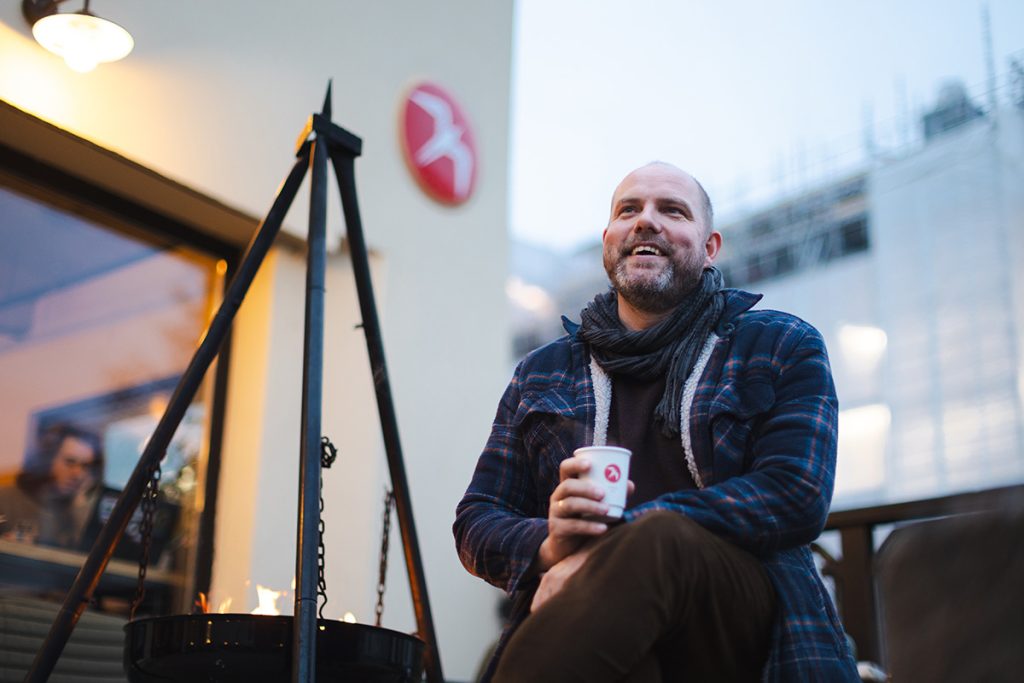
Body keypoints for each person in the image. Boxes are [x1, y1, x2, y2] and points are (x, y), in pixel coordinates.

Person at [454, 162, 859, 681]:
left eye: (672, 210)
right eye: (629, 210)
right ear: (608, 242)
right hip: (603, 620)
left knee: (661, 538)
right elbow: (478, 518)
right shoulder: (541, 373)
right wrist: (551, 543)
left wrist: (614, 544)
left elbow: (795, 493)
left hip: (745, 618)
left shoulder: (781, 344)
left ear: (710, 247)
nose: (646, 221)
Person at [0, 423, 103, 548]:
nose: (78, 474)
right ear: (47, 460)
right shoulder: (5, 500)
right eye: (70, 462)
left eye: (85, 466)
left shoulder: (76, 514)